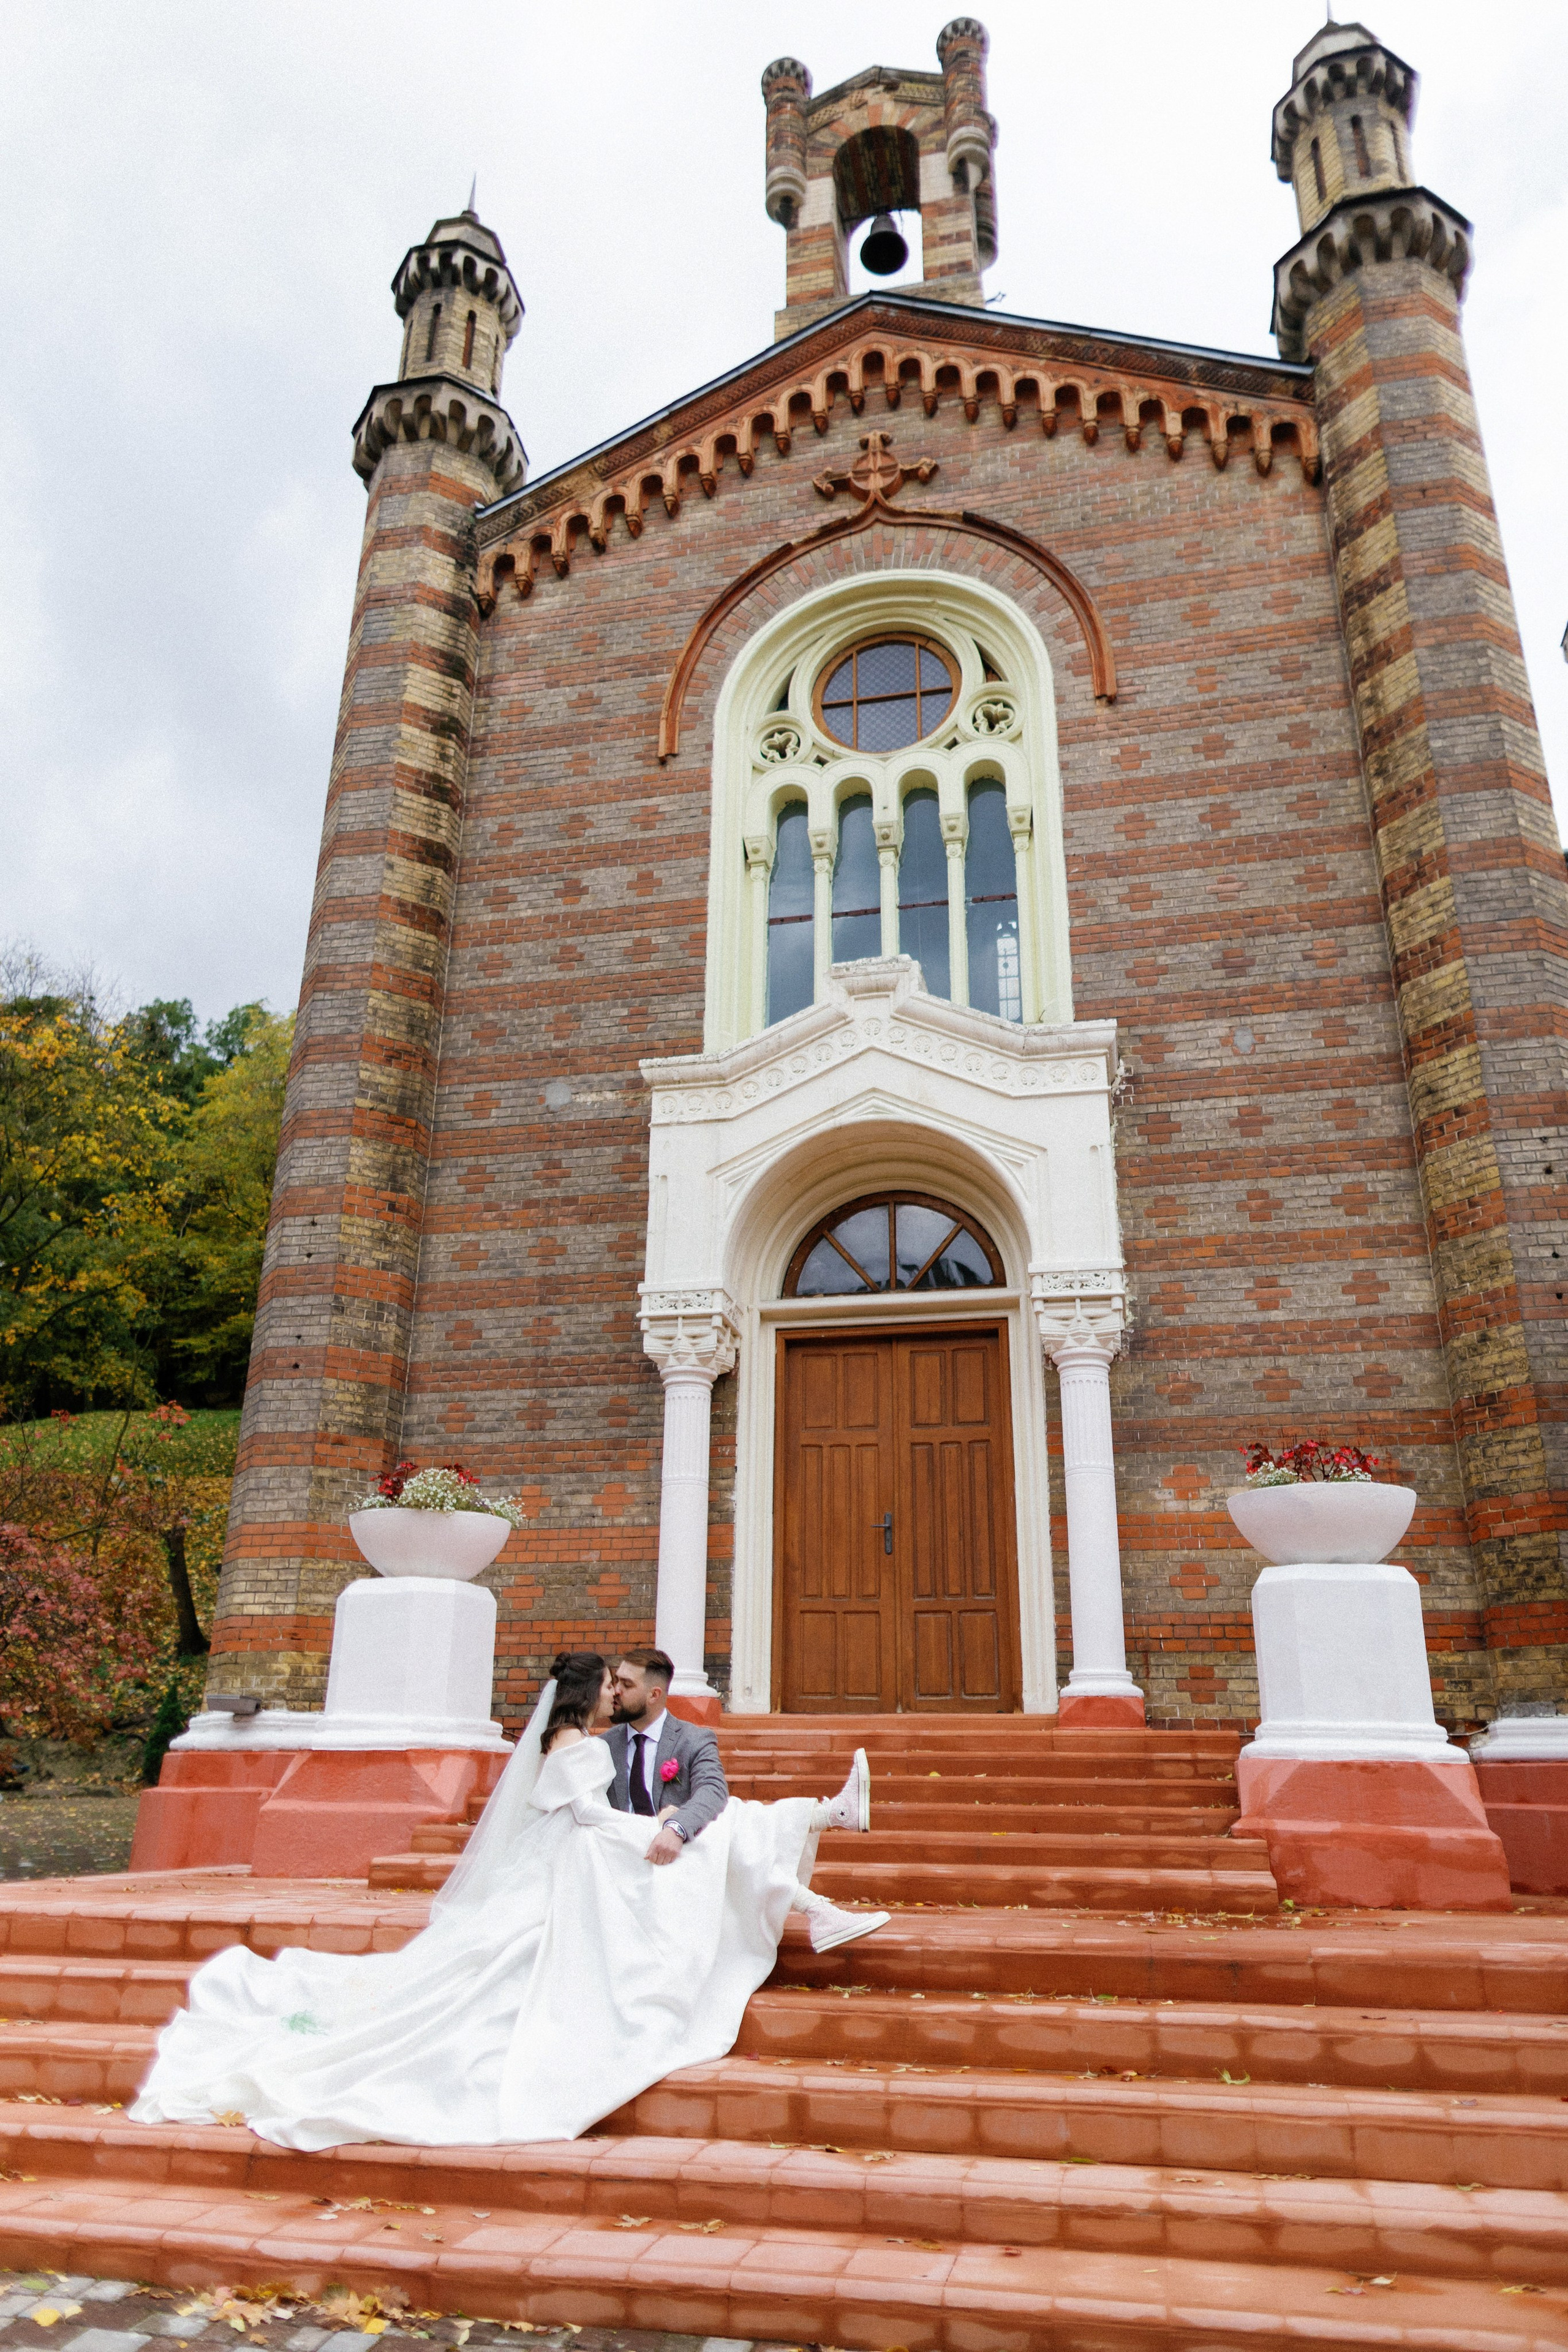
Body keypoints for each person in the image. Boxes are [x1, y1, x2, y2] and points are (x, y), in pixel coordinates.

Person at [129, 1650, 888, 2151]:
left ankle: (817, 1857)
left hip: (589, 1855)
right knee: (713, 1839)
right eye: (608, 1687)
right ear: (590, 1696)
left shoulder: (614, 1741)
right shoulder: (576, 1747)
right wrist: (652, 1826)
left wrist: (659, 1823)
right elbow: (583, 1814)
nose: (615, 1695)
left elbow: (631, 1805)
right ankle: (819, 1842)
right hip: (582, 1858)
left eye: (625, 1686)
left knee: (715, 1833)